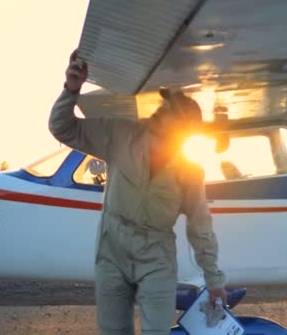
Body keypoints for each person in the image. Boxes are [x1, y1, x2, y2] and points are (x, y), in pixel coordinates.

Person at [49, 50, 227, 334]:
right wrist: (71, 89)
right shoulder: (120, 135)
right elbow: (63, 128)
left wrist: (215, 280)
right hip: (112, 252)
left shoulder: (190, 172)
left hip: (156, 257)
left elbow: (200, 228)